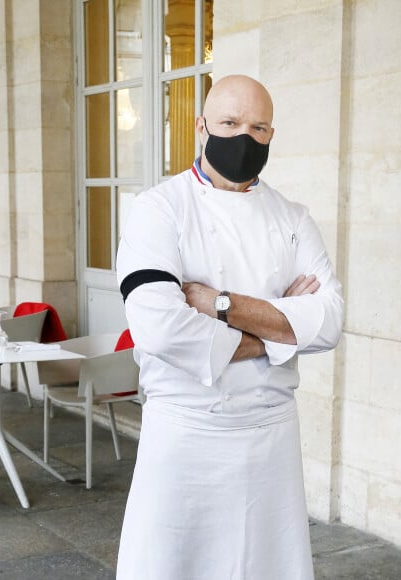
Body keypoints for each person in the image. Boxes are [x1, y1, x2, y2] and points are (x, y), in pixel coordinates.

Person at [115, 74, 344, 580]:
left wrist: (220, 304)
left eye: (258, 127)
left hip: (270, 437)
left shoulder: (293, 218)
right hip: (184, 432)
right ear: (202, 127)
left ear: (271, 135)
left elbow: (328, 323)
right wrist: (279, 329)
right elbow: (159, 328)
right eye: (230, 122)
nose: (244, 136)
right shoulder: (159, 209)